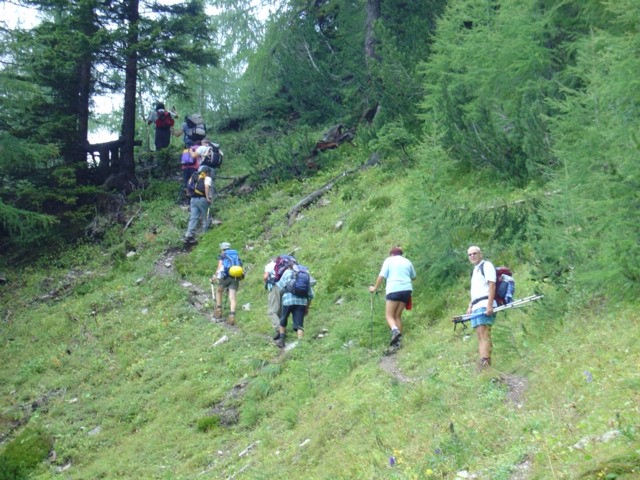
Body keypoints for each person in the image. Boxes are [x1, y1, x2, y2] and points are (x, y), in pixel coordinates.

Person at [369, 246, 416, 346]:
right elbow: (413, 277)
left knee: (389, 315)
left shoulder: (389, 260)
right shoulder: (407, 261)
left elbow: (382, 276)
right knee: (397, 316)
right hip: (406, 290)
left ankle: (395, 331)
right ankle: (398, 343)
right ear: (401, 254)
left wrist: (374, 288)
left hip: (394, 290)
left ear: (391, 254)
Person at [466, 245, 497, 369]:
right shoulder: (475, 270)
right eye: (470, 254)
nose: (472, 256)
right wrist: (470, 305)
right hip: (476, 306)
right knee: (479, 334)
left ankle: (486, 362)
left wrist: (489, 305)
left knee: (484, 333)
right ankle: (483, 361)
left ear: (480, 254)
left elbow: (492, 285)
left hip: (485, 304)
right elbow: (476, 291)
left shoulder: (487, 266)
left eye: (475, 253)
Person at [274, 263, 314, 348]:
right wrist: (307, 308)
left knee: (283, 319)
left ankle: (281, 340)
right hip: (302, 302)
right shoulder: (305, 275)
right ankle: (300, 343)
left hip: (288, 300)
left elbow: (280, 286)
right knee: (299, 324)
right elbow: (310, 295)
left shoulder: (287, 272)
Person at [211, 242, 241, 325]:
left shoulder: (222, 255)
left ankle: (219, 311)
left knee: (219, 291)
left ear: (222, 249)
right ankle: (232, 316)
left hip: (225, 278)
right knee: (232, 298)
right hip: (235, 277)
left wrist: (215, 277)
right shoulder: (235, 254)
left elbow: (220, 267)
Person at [183, 165, 213, 244]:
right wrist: (207, 198)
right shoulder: (207, 178)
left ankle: (189, 234)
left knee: (193, 217)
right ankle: (206, 234)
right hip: (202, 199)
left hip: (193, 199)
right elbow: (206, 187)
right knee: (206, 216)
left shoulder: (195, 176)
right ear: (207, 172)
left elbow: (188, 185)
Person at [263, 258, 281, 340]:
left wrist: (266, 282)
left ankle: (279, 330)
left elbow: (265, 276)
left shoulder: (270, 265)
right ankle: (283, 329)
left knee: (272, 311)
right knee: (280, 310)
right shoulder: (282, 266)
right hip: (284, 286)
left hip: (275, 287)